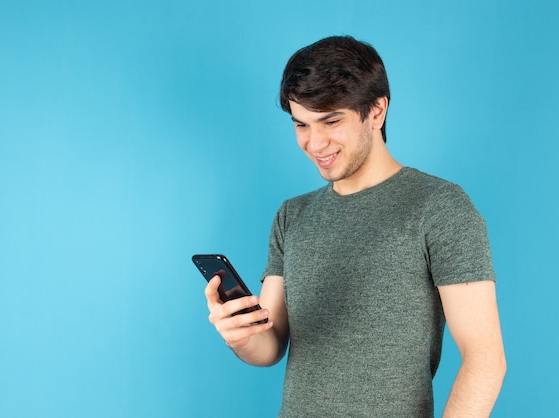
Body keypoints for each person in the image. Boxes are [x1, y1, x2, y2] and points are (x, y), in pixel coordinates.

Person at [205, 35, 506, 417]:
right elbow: (270, 346)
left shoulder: (439, 206)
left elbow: (485, 360)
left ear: (376, 111)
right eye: (302, 125)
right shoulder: (292, 215)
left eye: (331, 121)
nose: (315, 143)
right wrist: (240, 335)